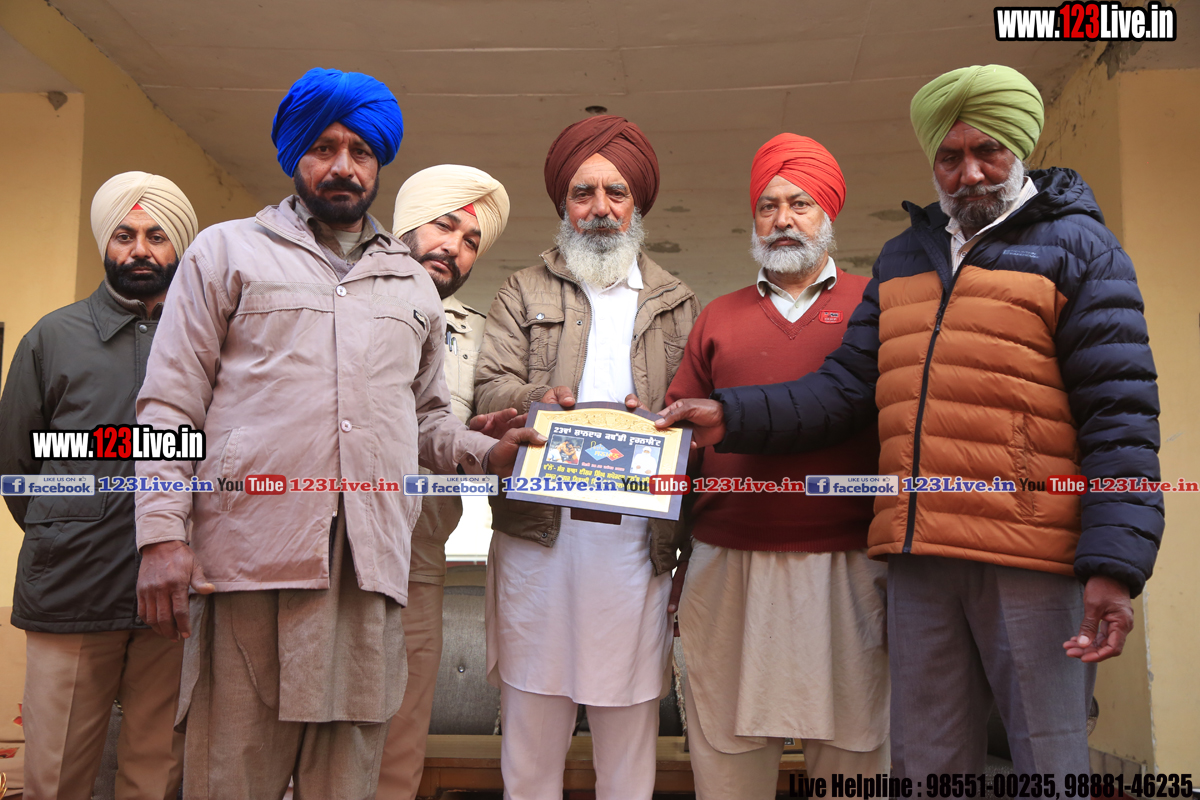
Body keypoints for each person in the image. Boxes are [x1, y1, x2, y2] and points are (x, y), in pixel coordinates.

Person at [657, 64, 1162, 779]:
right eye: (950, 157)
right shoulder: (903, 259)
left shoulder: (1079, 249)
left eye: (987, 151)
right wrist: (730, 415)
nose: (969, 173)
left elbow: (1121, 417)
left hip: (1031, 556)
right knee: (926, 768)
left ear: (1020, 151)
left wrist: (1114, 565)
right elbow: (843, 389)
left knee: (1049, 762)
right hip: (920, 557)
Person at [131, 69, 540, 799]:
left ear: (380, 163)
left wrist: (489, 452)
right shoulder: (225, 253)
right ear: (296, 155)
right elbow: (168, 406)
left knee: (347, 783)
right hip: (249, 564)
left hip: (366, 572)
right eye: (324, 147)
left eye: (360, 150)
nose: (343, 165)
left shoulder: (410, 284)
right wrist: (161, 534)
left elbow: (424, 419)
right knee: (230, 778)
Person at [474, 115, 699, 800]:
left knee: (627, 749)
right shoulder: (520, 291)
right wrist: (538, 398)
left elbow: (699, 419)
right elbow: (487, 388)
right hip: (540, 543)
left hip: (635, 550)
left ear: (638, 204)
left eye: (616, 192)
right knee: (530, 744)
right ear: (563, 204)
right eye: (583, 193)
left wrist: (667, 419)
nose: (600, 208)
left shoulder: (678, 302)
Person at [665, 134, 888, 797]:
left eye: (800, 204)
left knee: (857, 749)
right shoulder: (717, 317)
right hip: (727, 562)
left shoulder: (879, 305)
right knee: (726, 752)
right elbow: (680, 446)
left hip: (851, 563)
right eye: (768, 206)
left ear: (828, 214)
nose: (783, 219)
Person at [0, 172, 197, 800]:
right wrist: (69, 523)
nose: (140, 250)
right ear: (105, 244)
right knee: (55, 777)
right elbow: (16, 467)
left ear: (180, 246)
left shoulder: (207, 338)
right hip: (71, 589)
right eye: (124, 235)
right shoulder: (52, 337)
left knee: (156, 774)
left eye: (157, 236)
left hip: (176, 598)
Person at [376, 164, 511, 800]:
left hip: (420, 559)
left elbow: (466, 430)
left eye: (470, 240)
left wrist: (484, 434)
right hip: (327, 550)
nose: (453, 247)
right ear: (407, 223)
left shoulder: (478, 332)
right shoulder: (344, 302)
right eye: (444, 226)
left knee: (403, 736)